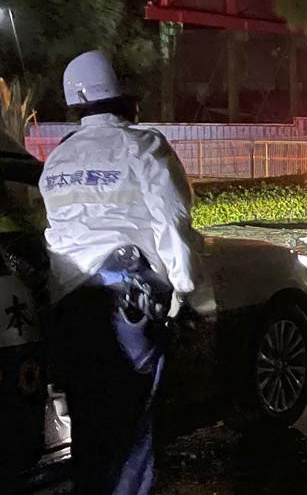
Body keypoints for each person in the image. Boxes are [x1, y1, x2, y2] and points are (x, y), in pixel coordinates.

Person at [39, 50, 198, 494]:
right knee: (133, 431)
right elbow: (173, 223)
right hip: (130, 301)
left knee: (91, 429)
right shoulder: (144, 146)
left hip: (72, 306)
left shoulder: (58, 160)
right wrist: (184, 292)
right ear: (126, 99)